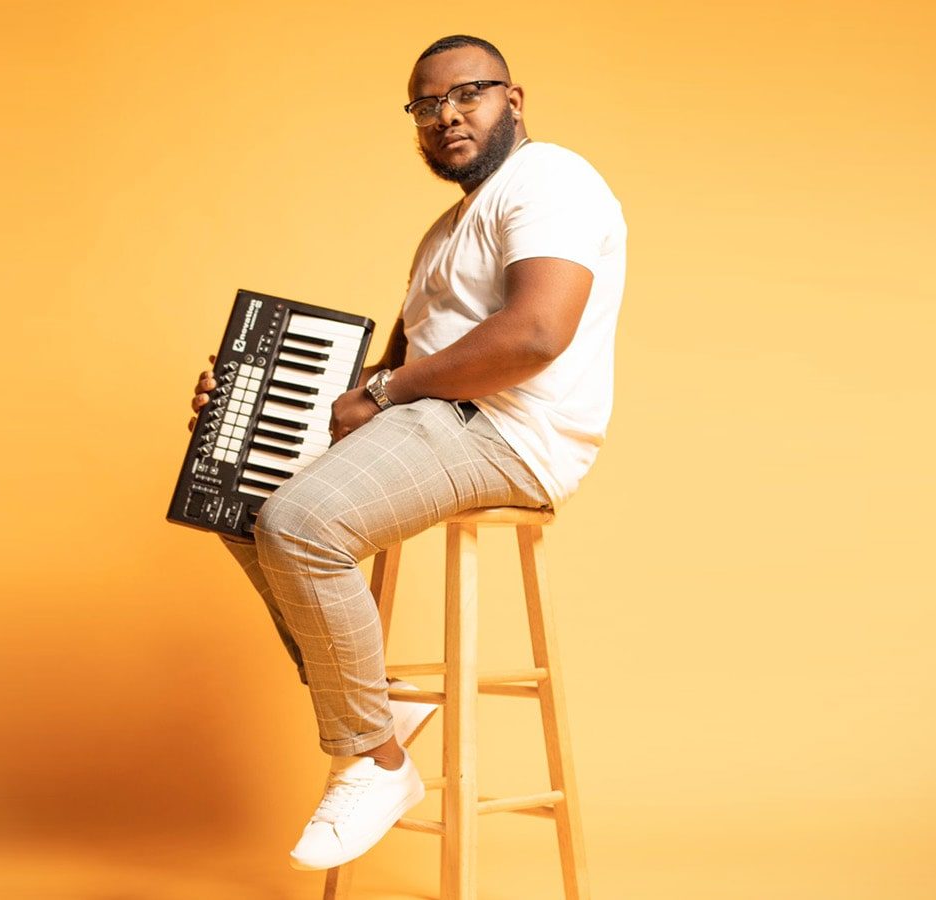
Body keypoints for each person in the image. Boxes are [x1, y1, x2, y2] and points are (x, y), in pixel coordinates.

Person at [186, 34, 626, 871]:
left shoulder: (551, 179)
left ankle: (373, 759)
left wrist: (384, 395)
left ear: (515, 98)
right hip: (439, 416)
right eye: (427, 105)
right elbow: (393, 375)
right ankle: (381, 709)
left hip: (510, 430)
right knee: (234, 480)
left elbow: (535, 333)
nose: (447, 115)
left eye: (468, 94)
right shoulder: (443, 232)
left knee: (302, 523)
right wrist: (250, 395)